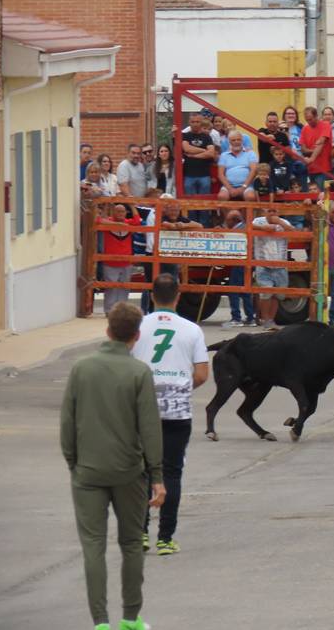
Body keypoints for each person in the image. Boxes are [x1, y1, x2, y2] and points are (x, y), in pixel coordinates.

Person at [60, 302, 164, 630]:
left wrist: (73, 462)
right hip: (128, 471)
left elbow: (67, 420)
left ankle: (100, 622)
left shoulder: (81, 368)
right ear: (136, 336)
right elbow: (149, 427)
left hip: (88, 470)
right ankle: (131, 618)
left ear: (107, 330)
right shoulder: (138, 372)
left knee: (93, 545)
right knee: (132, 543)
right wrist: (157, 474)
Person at [131, 275, 208, 555]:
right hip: (177, 409)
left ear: (152, 296)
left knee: (140, 472)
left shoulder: (137, 326)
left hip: (142, 407)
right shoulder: (192, 330)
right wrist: (182, 386)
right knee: (172, 471)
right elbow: (201, 374)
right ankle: (166, 537)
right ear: (178, 296)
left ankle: (140, 533)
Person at [251, 206, 295, 329]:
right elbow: (249, 227)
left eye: (274, 211)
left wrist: (279, 222)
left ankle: (271, 320)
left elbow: (293, 231)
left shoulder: (284, 222)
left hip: (280, 263)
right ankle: (265, 320)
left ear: (278, 212)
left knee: (278, 294)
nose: (271, 213)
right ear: (265, 212)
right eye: (269, 211)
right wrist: (262, 228)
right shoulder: (259, 221)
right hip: (263, 263)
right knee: (266, 292)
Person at [100, 203, 143, 314]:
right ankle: (109, 311)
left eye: (122, 211)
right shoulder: (108, 222)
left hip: (126, 262)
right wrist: (117, 224)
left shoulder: (129, 223)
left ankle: (122, 310)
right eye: (117, 211)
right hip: (110, 262)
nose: (120, 213)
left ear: (125, 213)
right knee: (111, 287)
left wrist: (132, 205)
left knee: (125, 287)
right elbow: (99, 220)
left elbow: (138, 221)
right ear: (113, 212)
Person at [220, 210, 256, 328]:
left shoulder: (238, 230)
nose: (226, 222)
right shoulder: (244, 227)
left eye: (227, 220)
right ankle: (250, 318)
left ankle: (236, 318)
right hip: (247, 262)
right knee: (245, 290)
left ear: (234, 220)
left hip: (240, 262)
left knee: (233, 289)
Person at [181, 115, 217, 199]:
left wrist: (193, 155)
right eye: (193, 122)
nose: (195, 124)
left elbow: (211, 153)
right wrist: (204, 150)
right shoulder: (185, 136)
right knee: (190, 204)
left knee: (205, 203)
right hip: (189, 175)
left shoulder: (207, 137)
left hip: (204, 175)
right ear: (189, 123)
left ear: (201, 123)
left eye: (197, 122)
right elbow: (187, 149)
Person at [217, 130, 259, 202]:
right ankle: (229, 214)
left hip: (246, 185)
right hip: (229, 186)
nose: (236, 142)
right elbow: (220, 174)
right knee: (222, 196)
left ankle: (245, 213)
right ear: (229, 142)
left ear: (242, 140)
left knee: (250, 197)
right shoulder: (224, 155)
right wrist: (230, 188)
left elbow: (254, 171)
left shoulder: (250, 153)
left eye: (238, 139)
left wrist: (243, 187)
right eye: (233, 140)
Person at [300, 106, 333, 188]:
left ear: (316, 116)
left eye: (310, 119)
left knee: (322, 196)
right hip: (310, 169)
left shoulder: (326, 125)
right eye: (307, 120)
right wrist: (313, 151)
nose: (309, 122)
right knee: (312, 197)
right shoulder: (305, 129)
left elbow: (321, 142)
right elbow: (303, 149)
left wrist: (311, 158)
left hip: (323, 169)